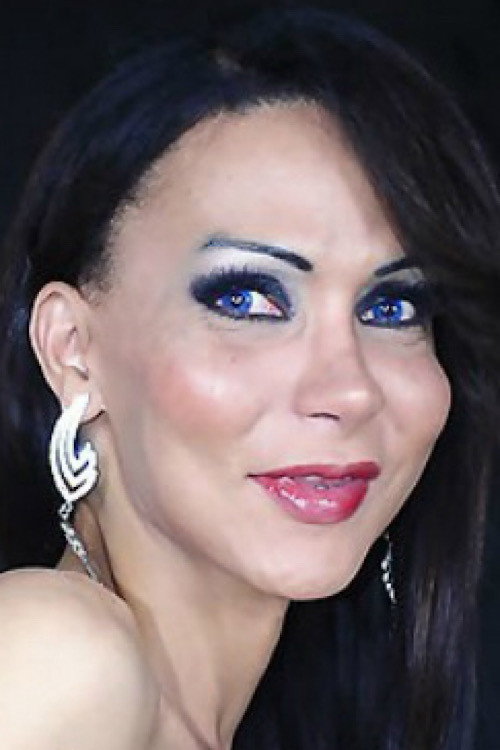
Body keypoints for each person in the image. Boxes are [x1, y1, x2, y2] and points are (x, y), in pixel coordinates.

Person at [0, 5, 499, 749]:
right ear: (73, 350)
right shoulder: (53, 654)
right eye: (246, 299)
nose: (349, 391)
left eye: (392, 306)